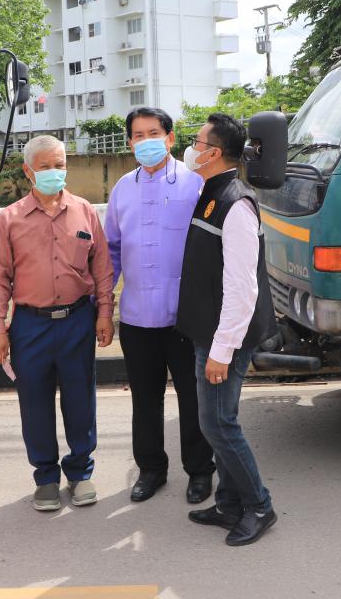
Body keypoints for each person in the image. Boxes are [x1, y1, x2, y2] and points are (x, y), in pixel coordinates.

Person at [0, 135, 115, 512]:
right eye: (45, 167)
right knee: (35, 403)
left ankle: (80, 472)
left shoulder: (84, 211)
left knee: (80, 400)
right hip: (30, 325)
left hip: (78, 320)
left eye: (60, 165)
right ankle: (45, 477)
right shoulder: (9, 219)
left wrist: (105, 313)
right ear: (28, 171)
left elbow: (102, 267)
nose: (54, 172)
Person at [177, 113, 278, 546]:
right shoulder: (212, 192)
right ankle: (229, 504)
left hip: (226, 337)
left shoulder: (236, 204)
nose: (191, 149)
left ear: (214, 153)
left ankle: (259, 505)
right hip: (210, 330)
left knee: (218, 424)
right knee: (218, 422)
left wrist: (222, 350)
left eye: (197, 142)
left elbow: (242, 287)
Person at [105, 106, 214, 505]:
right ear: (129, 142)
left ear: (170, 138)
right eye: (138, 135)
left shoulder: (195, 184)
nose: (146, 141)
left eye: (154, 133)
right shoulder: (122, 189)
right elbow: (111, 252)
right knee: (145, 399)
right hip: (136, 317)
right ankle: (151, 469)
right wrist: (104, 307)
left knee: (193, 398)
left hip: (185, 317)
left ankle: (200, 471)